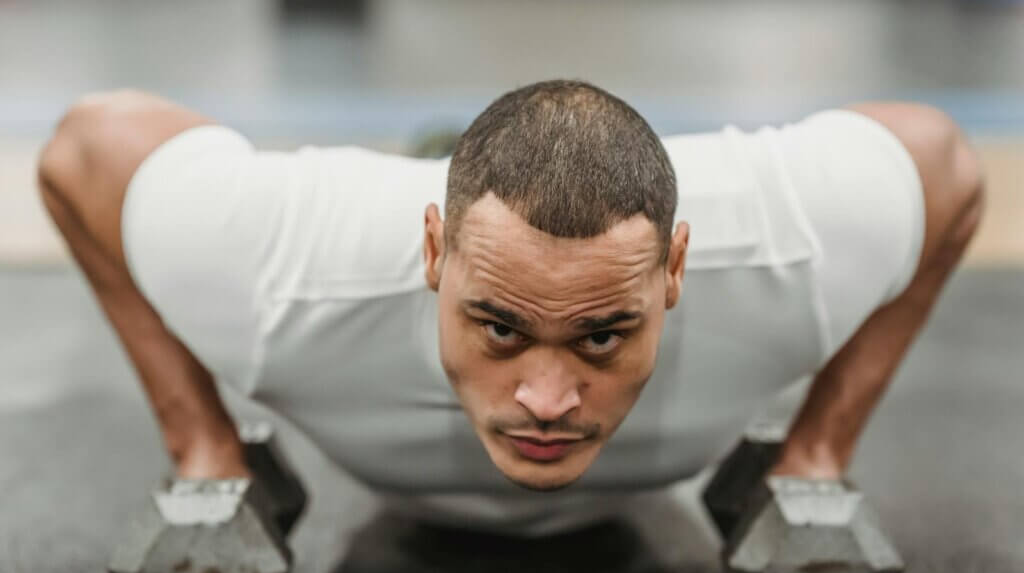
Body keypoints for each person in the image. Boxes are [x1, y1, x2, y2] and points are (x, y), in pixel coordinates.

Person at [37, 80, 983, 535]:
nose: (546, 398)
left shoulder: (782, 251)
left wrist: (819, 449)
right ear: (434, 255)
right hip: (393, 198)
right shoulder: (286, 271)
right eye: (499, 325)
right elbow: (85, 151)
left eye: (603, 334)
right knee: (447, 149)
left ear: (676, 270)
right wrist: (200, 442)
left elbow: (945, 165)